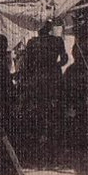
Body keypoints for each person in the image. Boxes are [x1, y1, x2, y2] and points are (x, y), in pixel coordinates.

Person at [17, 20, 68, 165]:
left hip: (37, 80)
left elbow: (27, 63)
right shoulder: (57, 41)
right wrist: (55, 66)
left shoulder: (33, 42)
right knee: (53, 113)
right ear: (50, 29)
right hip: (53, 79)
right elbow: (65, 58)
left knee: (36, 112)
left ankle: (37, 148)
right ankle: (52, 150)